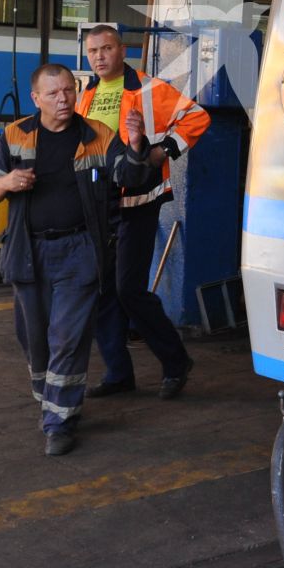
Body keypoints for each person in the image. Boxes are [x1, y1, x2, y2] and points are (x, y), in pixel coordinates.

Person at [0, 62, 152, 456]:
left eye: (69, 91)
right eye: (53, 93)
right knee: (34, 339)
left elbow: (131, 175)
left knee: (68, 338)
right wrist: (7, 182)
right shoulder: (16, 135)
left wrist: (138, 145)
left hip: (79, 253)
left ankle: (60, 421)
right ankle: (50, 398)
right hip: (29, 252)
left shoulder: (97, 135)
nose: (63, 99)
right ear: (36, 98)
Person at [77, 23, 210, 400]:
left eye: (106, 49)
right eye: (93, 52)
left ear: (122, 51)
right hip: (99, 204)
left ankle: (175, 361)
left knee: (128, 289)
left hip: (139, 201)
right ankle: (119, 374)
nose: (99, 57)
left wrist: (162, 150)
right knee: (104, 289)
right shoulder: (84, 96)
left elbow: (197, 116)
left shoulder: (149, 89)